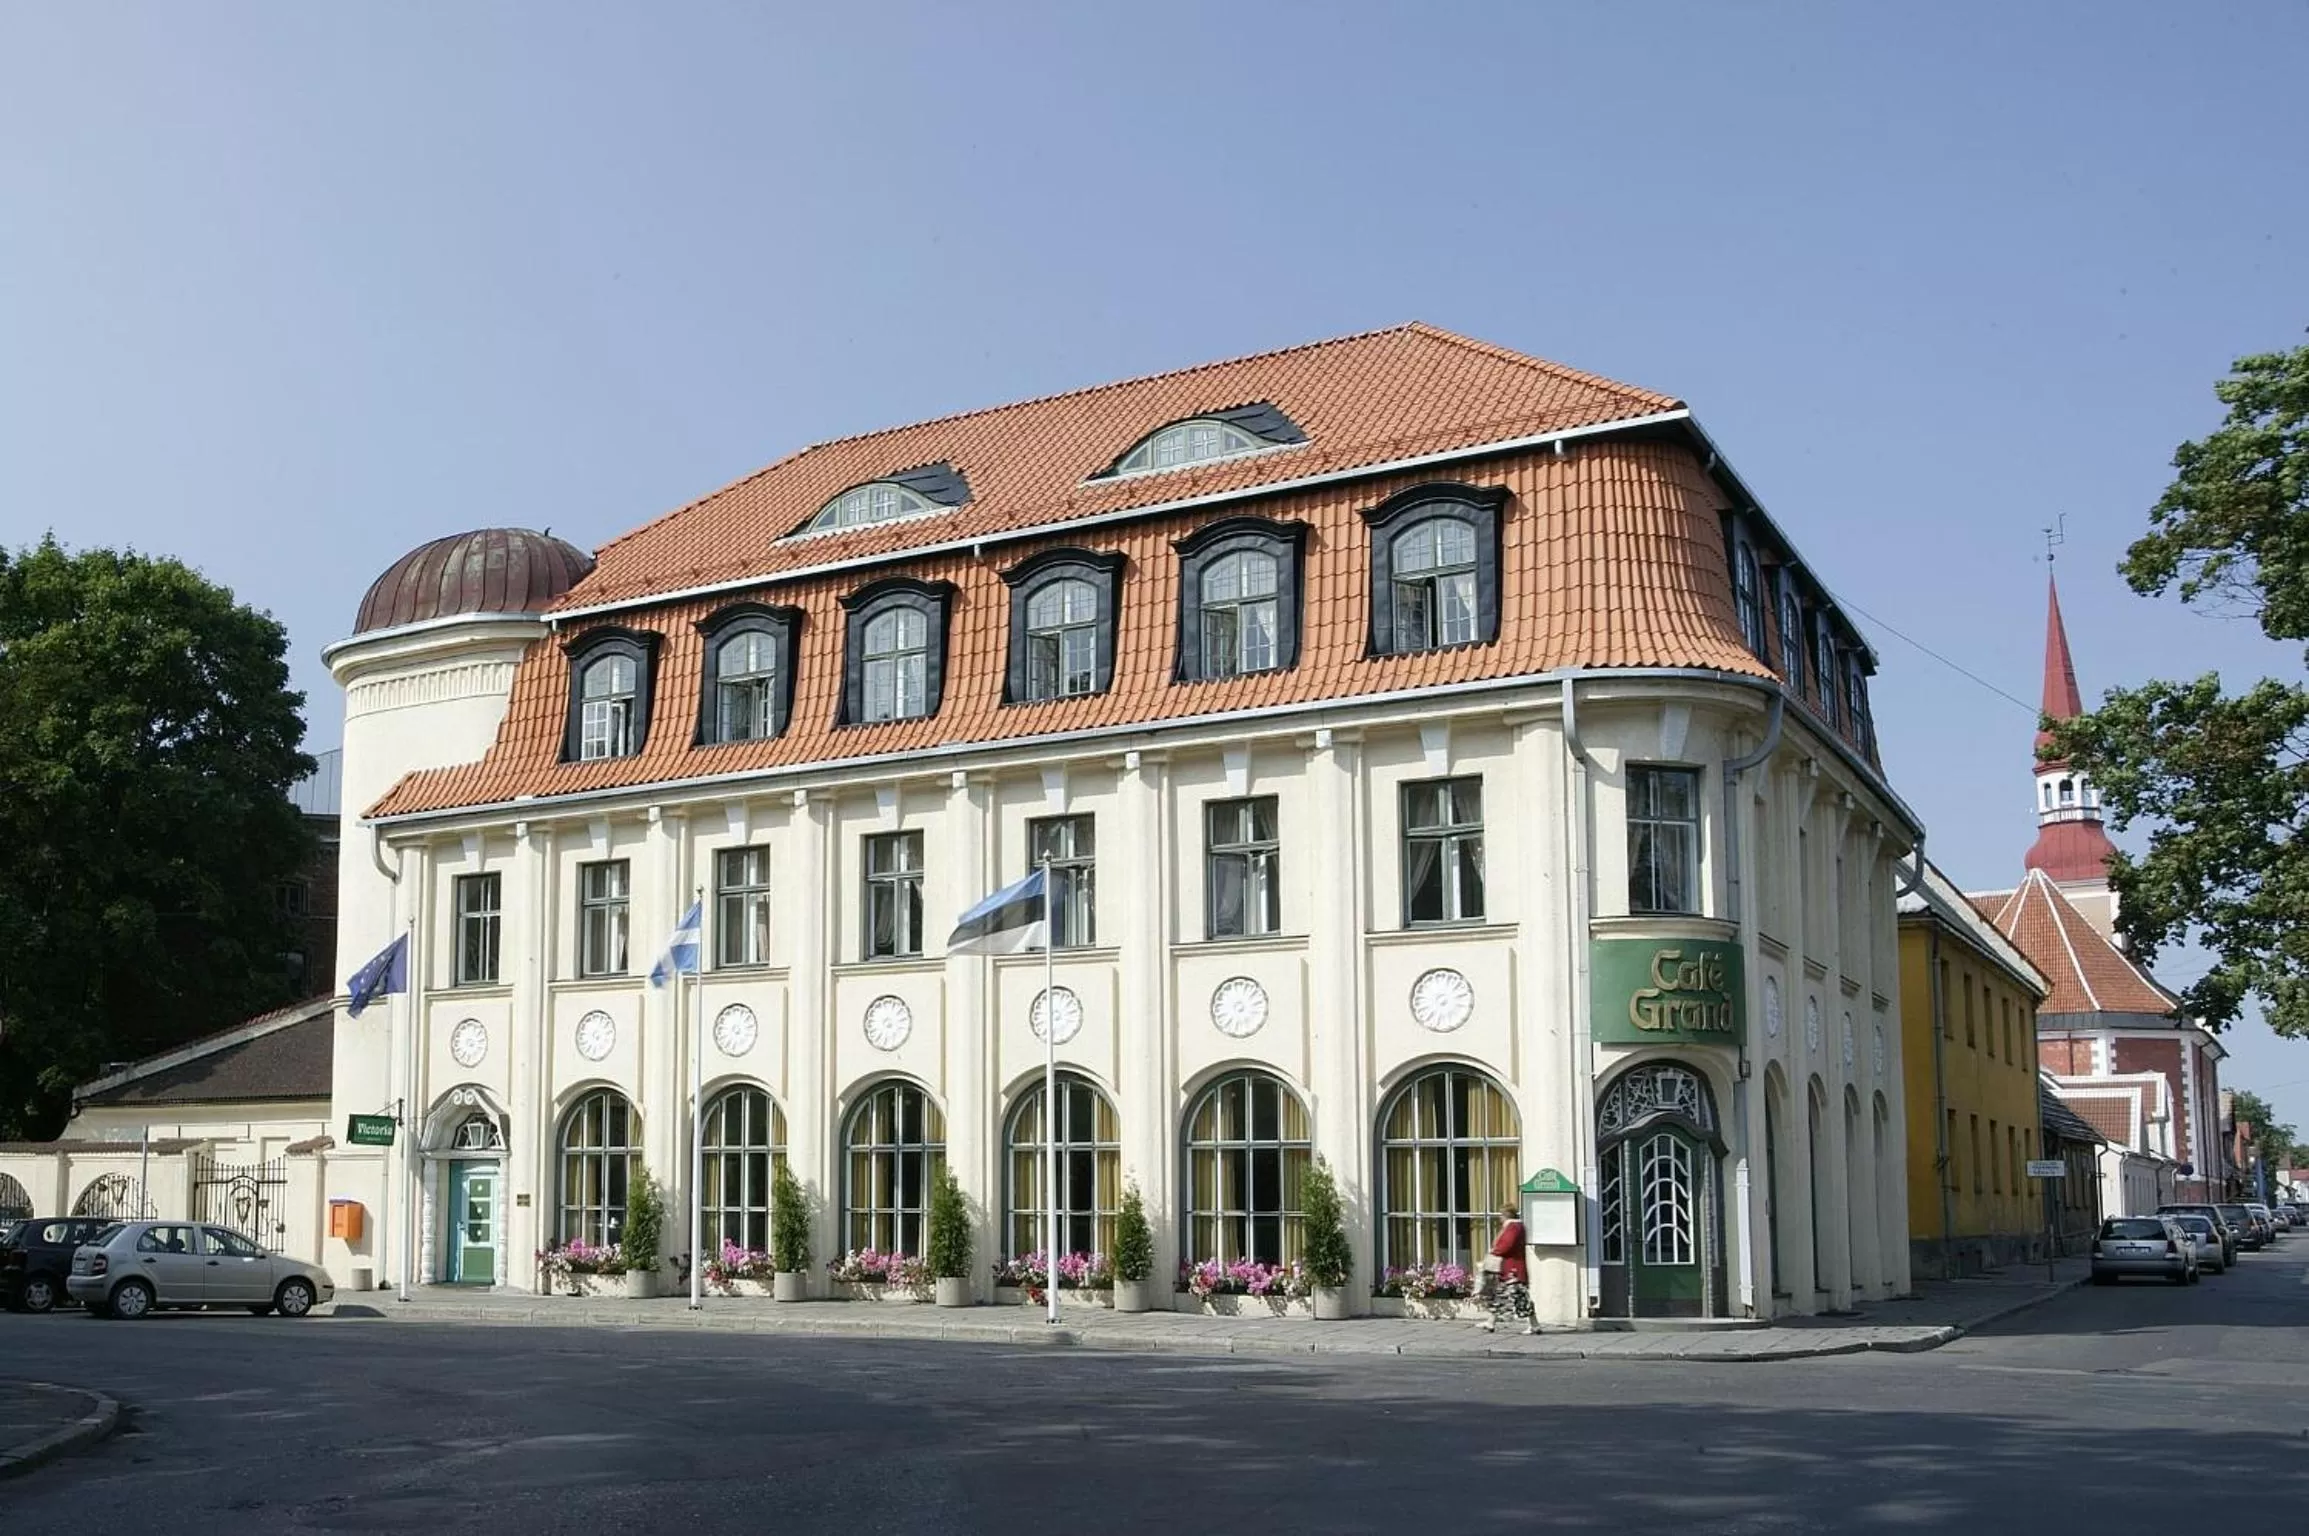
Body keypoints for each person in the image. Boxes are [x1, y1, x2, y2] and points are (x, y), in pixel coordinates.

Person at [1478, 1201, 1535, 1335]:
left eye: (1501, 1215)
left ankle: (1535, 1325)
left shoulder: (1513, 1228)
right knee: (1502, 1296)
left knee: (1520, 1297)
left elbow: (1506, 1245)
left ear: (1506, 1215)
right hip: (1510, 1269)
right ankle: (1491, 1322)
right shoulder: (1517, 1226)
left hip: (1513, 1270)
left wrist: (1495, 1251)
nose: (1500, 1218)